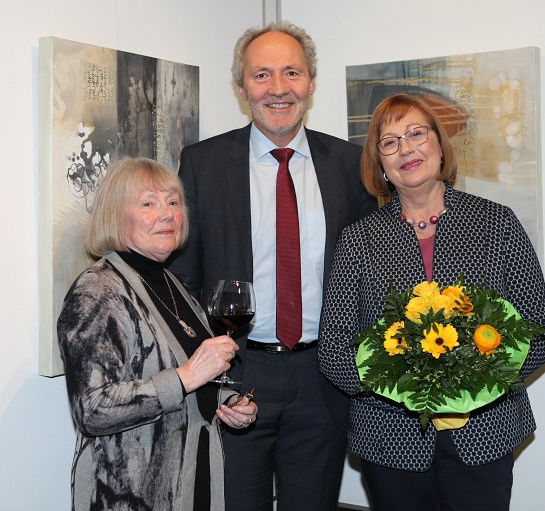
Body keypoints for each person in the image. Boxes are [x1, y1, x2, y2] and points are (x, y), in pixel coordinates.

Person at [168, 22, 375, 511]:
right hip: (239, 370)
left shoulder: (350, 164)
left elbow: (373, 275)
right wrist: (215, 383)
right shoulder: (203, 163)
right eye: (261, 75)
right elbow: (185, 283)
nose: (278, 88)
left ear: (310, 83)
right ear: (242, 89)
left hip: (324, 377)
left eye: (291, 72)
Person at [318, 93, 545, 511]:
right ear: (380, 165)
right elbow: (334, 349)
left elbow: (539, 333)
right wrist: (402, 385)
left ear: (439, 144)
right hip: (389, 438)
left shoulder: (496, 223)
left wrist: (472, 382)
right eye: (389, 142)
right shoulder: (358, 240)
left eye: (416, 133)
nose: (405, 149)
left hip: (484, 434)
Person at [57, 157, 258, 511]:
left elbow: (189, 376)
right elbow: (92, 408)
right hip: (131, 492)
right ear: (115, 216)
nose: (166, 214)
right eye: (148, 203)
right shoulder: (97, 291)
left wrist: (226, 404)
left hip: (191, 478)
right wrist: (185, 378)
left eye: (173, 202)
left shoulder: (171, 283)